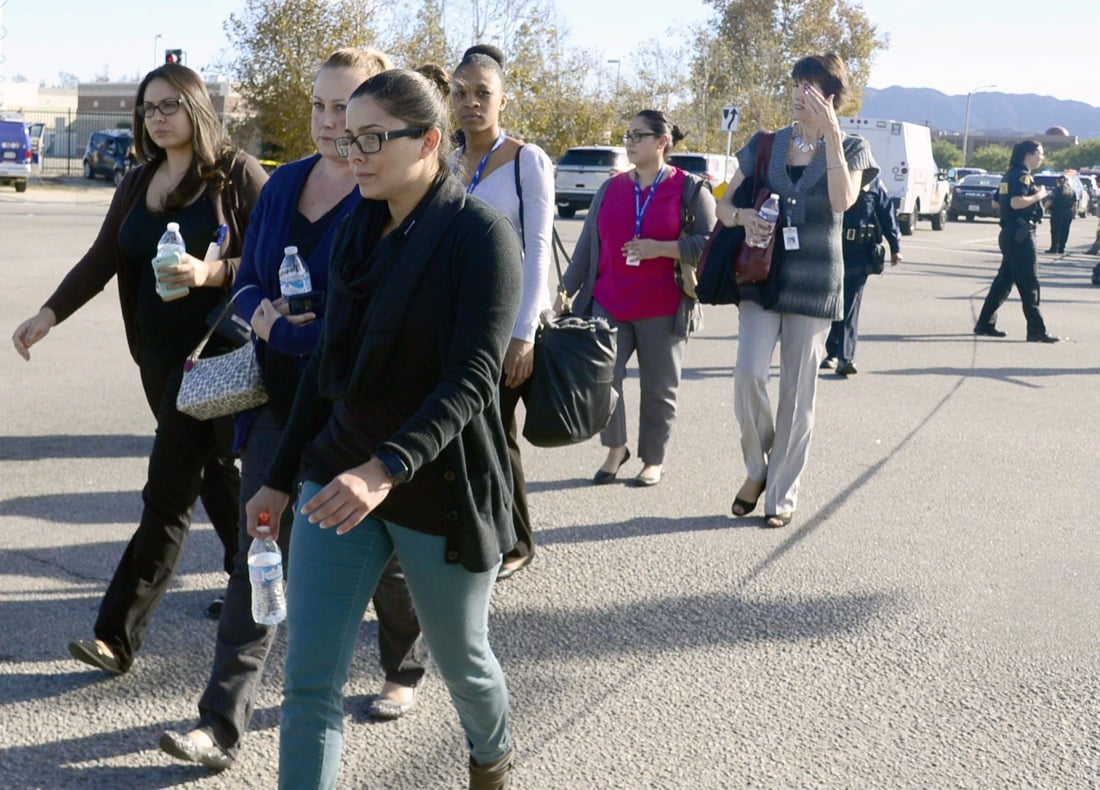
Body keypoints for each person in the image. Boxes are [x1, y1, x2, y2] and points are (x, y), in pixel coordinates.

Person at [245, 67, 520, 789]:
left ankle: (491, 758)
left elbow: (471, 381)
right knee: (309, 680)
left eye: (371, 137)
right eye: (346, 135)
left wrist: (385, 469)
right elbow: (324, 369)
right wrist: (278, 477)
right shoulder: (356, 232)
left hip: (440, 485)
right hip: (337, 473)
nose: (351, 150)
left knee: (464, 661)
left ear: (429, 141)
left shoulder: (481, 238)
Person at [156, 49, 423, 771]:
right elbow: (246, 277)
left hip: (360, 406)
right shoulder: (284, 186)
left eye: (346, 109)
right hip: (280, 398)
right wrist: (268, 324)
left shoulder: (382, 194)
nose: (331, 123)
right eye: (320, 107)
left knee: (384, 555)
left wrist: (309, 328)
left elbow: (379, 304)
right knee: (259, 550)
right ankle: (219, 725)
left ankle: (404, 665)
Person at [11, 63, 268, 675]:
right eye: (148, 108)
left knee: (169, 492)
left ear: (197, 109)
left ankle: (116, 637)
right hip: (159, 361)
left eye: (169, 106)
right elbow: (104, 255)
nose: (157, 118)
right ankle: (251, 582)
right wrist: (49, 313)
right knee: (211, 474)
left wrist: (212, 273)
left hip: (224, 358)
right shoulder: (137, 181)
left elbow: (269, 260)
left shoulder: (235, 175)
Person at [716, 54, 876, 528]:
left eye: (811, 86)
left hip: (816, 280)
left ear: (831, 96)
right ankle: (758, 468)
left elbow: (842, 201)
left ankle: (780, 495)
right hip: (762, 275)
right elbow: (723, 205)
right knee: (747, 375)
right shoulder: (766, 144)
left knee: (798, 393)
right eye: (796, 84)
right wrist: (743, 217)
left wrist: (831, 136)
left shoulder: (853, 146)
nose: (799, 94)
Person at [558, 110, 716, 488]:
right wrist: (564, 291)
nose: (629, 142)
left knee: (659, 388)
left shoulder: (691, 188)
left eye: (638, 136)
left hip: (664, 307)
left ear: (662, 142)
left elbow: (710, 243)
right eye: (627, 136)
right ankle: (616, 450)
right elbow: (585, 247)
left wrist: (660, 248)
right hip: (608, 302)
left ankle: (653, 460)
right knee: (602, 382)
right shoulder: (610, 188)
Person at [450, 43, 553, 578]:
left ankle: (517, 543)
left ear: (502, 100)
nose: (471, 103)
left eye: (482, 93)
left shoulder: (526, 160)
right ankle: (478, 532)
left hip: (506, 321)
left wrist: (524, 333)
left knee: (497, 430)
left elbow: (537, 249)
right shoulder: (446, 160)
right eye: (461, 93)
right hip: (457, 320)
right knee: (466, 428)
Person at [974, 141, 1060, 343]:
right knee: (1030, 282)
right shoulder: (1023, 176)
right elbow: (1015, 201)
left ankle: (984, 323)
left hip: (1010, 232)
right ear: (1028, 155)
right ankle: (1036, 330)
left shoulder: (1008, 175)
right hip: (1021, 235)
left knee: (1003, 283)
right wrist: (1038, 195)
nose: (1042, 157)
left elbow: (997, 201)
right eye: (1040, 153)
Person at [822, 178, 902, 376]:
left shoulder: (873, 182)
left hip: (859, 252)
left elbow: (886, 211)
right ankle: (833, 351)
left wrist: (895, 246)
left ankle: (845, 358)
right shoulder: (829, 173)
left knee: (849, 305)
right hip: (830, 249)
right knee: (831, 303)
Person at [1045, 174, 1076, 254]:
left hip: (1057, 213)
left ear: (1057, 181)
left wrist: (1044, 209)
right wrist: (1074, 213)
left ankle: (1054, 248)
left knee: (1055, 230)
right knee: (1065, 231)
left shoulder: (1055, 190)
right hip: (1068, 213)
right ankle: (1061, 248)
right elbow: (1074, 203)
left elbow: (1049, 201)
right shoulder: (1071, 191)